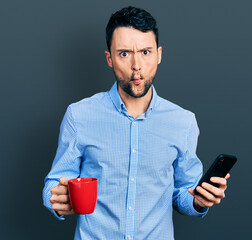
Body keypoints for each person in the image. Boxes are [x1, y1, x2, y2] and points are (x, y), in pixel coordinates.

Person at [42, 6, 231, 239]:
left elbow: (183, 193)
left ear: (159, 54)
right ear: (109, 58)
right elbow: (55, 180)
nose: (136, 66)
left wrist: (199, 201)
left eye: (145, 52)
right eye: (124, 53)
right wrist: (56, 196)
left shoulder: (183, 122)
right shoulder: (79, 115)